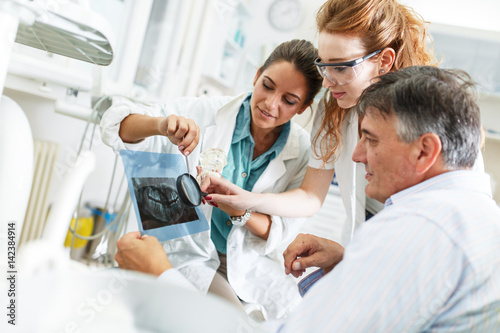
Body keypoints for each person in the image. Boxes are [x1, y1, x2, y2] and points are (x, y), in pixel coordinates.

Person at [114, 66, 500, 332]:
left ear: (424, 151)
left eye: (371, 139)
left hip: (223, 269)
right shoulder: (471, 214)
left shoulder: (416, 228)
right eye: (266, 86)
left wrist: (161, 276)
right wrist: (352, 261)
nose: (357, 155)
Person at [200, 0, 483, 247]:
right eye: (323, 65)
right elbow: (311, 196)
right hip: (368, 243)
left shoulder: (434, 115)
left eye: (340, 67)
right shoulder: (335, 108)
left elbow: (457, 211)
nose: (326, 81)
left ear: (383, 60)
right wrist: (246, 200)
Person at [100, 39, 323, 320]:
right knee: (226, 320)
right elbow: (115, 125)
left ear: (303, 107)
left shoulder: (302, 152)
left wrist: (239, 209)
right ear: (256, 75)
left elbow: (278, 231)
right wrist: (161, 126)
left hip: (247, 263)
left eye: (289, 101)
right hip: (188, 253)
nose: (270, 103)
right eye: (267, 85)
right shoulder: (206, 113)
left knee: (295, 315)